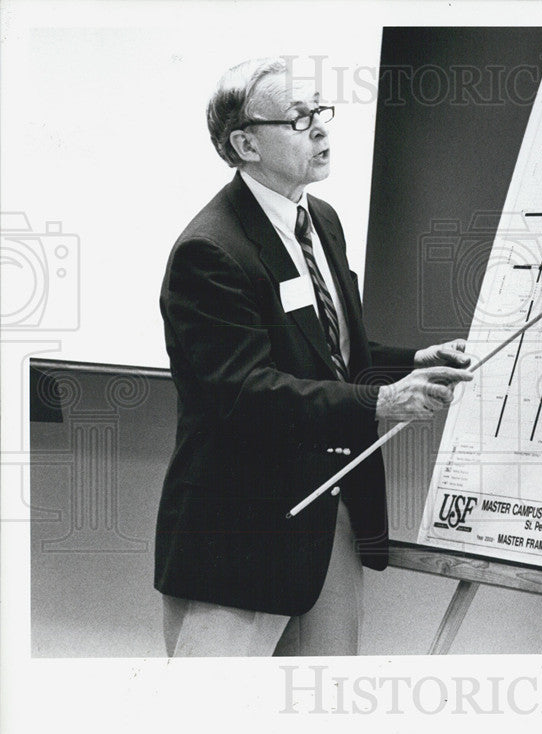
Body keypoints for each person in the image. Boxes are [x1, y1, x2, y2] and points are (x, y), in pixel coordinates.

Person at [154, 57, 472, 657]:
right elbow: (244, 391)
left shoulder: (319, 220)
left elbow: (327, 355)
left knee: (322, 727)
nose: (321, 129)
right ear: (245, 143)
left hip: (329, 517)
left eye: (320, 113)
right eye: (300, 119)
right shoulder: (210, 252)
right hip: (239, 535)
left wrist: (410, 361)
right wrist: (381, 400)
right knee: (216, 732)